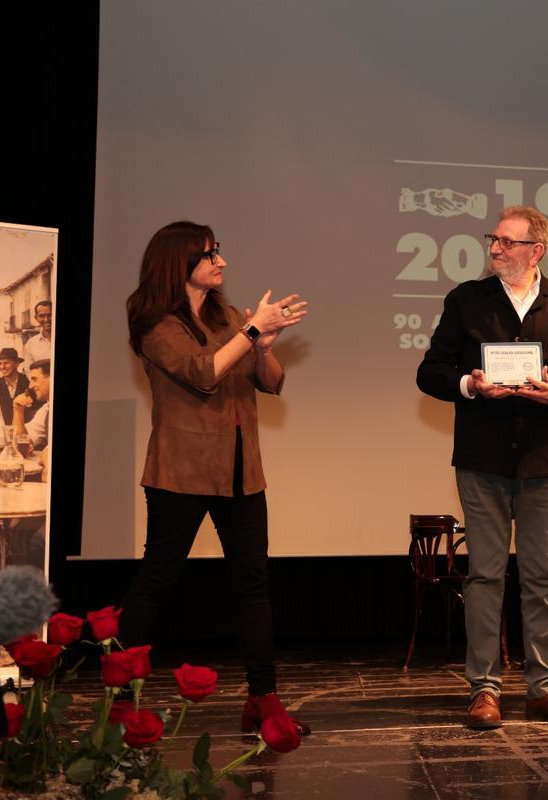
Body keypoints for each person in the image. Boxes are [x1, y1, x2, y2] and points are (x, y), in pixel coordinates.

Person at [416, 205, 548, 730]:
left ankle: (544, 688)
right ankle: (485, 689)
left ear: (535, 250)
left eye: (505, 242)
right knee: (485, 575)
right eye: (492, 240)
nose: (494, 249)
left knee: (543, 576)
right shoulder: (466, 300)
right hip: (482, 461)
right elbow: (429, 370)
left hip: (546, 462)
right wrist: (470, 385)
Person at [119, 221, 310, 735]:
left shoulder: (227, 314)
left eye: (219, 252)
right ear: (179, 262)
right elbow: (203, 373)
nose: (221, 262)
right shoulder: (153, 319)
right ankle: (120, 701)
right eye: (210, 254)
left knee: (253, 584)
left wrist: (265, 344)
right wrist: (249, 335)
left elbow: (270, 384)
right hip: (179, 470)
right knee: (156, 579)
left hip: (241, 470)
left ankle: (263, 699)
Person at [13, 359, 51, 449]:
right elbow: (22, 444)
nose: (30, 386)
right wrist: (18, 410)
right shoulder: (46, 410)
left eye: (34, 379)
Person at [0, 347, 32, 422]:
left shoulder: (27, 382)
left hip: (25, 427)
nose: (2, 367)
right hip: (3, 428)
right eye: (0, 363)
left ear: (16, 364)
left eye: (6, 363)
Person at [22, 301, 53, 370]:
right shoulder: (31, 344)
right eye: (42, 316)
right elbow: (29, 370)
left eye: (50, 315)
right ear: (36, 318)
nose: (46, 319)